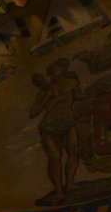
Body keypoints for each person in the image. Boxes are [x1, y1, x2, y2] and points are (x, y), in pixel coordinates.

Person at [30, 59, 82, 202]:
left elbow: (78, 96)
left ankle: (69, 184)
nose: (55, 71)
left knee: (73, 152)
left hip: (68, 123)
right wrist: (46, 98)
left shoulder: (72, 83)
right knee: (55, 158)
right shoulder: (45, 91)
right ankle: (59, 191)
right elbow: (33, 112)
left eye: (58, 68)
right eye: (52, 69)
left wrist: (95, 95)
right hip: (49, 127)